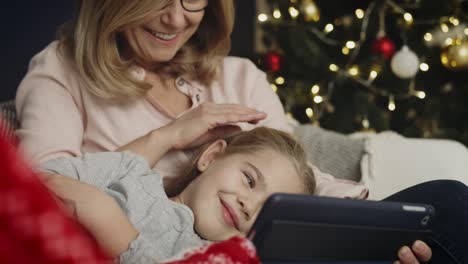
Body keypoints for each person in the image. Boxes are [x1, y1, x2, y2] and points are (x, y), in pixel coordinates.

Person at [15, 0, 432, 262]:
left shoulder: (239, 77)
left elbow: (296, 177)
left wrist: (374, 233)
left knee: (442, 201)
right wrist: (168, 136)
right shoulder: (63, 71)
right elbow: (36, 190)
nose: (176, 17)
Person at [40, 127, 316, 263]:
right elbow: (33, 180)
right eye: (249, 179)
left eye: (265, 210)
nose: (249, 206)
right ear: (212, 156)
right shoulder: (130, 171)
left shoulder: (219, 258)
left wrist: (113, 228)